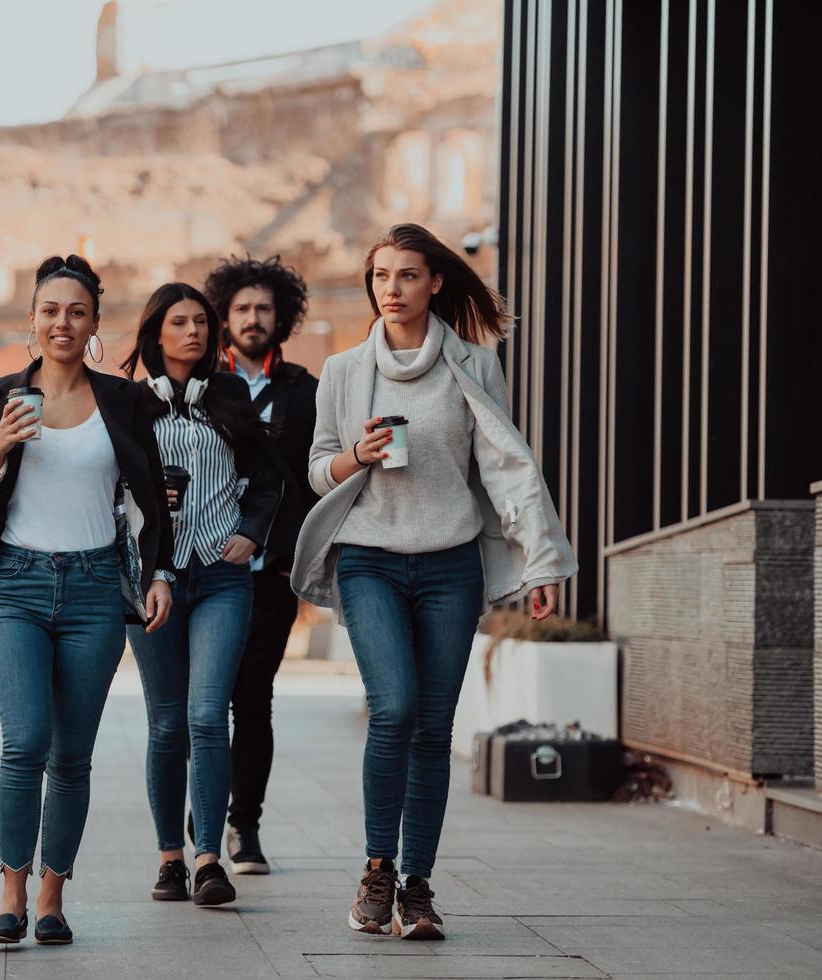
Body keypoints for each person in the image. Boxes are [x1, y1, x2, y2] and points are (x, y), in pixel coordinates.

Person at [290, 223, 577, 940]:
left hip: (450, 562)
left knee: (434, 727)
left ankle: (417, 887)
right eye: (382, 275)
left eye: (408, 275)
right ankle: (377, 869)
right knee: (394, 708)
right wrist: (356, 453)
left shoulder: (475, 366)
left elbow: (506, 466)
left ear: (435, 283)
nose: (393, 288)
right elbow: (316, 470)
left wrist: (539, 561)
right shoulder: (344, 372)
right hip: (369, 559)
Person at [0, 255, 175, 947]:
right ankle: (11, 891)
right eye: (50, 311)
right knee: (24, 742)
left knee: (72, 756)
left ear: (94, 322)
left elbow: (151, 498)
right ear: (32, 318)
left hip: (92, 589)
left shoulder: (125, 400)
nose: (62, 322)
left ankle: (53, 896)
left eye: (76, 311)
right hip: (17, 585)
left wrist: (158, 571)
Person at [119, 283, 283, 908]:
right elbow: (106, 485)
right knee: (167, 725)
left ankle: (209, 858)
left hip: (220, 575)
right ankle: (169, 858)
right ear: (155, 333)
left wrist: (250, 530)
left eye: (200, 323)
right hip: (152, 578)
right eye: (178, 322)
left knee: (209, 716)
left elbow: (269, 474)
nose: (192, 332)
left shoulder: (230, 393)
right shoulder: (131, 402)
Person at [203, 254, 320, 875]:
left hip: (272, 572)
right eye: (243, 308)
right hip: (205, 567)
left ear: (282, 317)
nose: (253, 318)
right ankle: (199, 830)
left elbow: (319, 478)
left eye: (264, 309)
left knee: (253, 699)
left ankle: (243, 827)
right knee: (203, 702)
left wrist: (298, 551)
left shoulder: (305, 390)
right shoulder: (199, 385)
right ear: (223, 315)